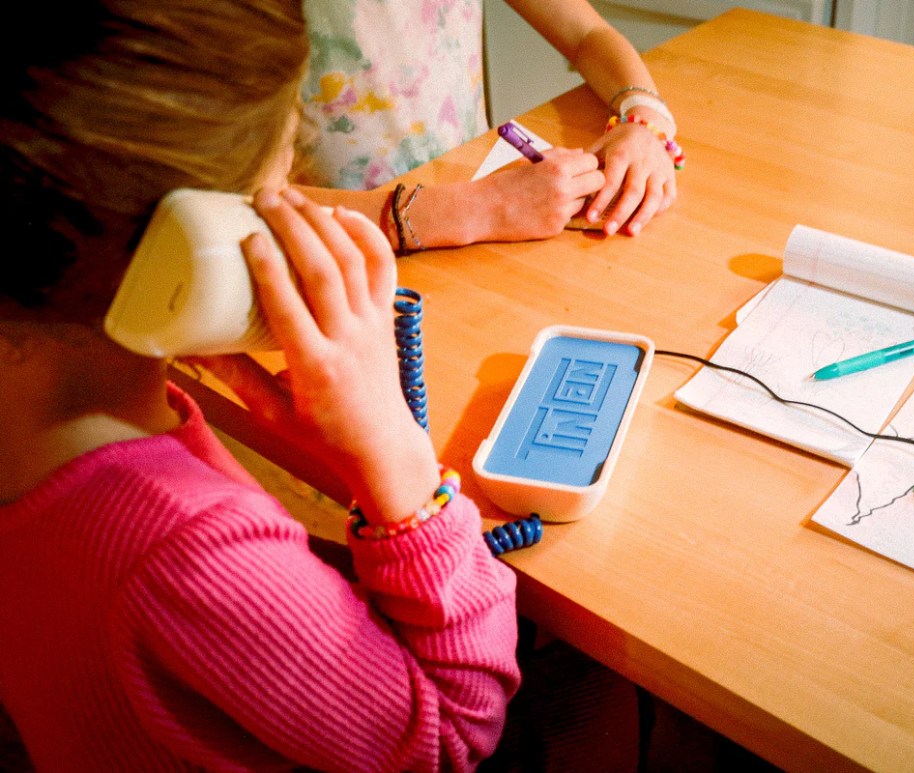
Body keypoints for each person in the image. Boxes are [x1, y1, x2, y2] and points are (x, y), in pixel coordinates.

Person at [0, 2, 519, 771]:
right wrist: (394, 452)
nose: (305, 206)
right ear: (198, 242)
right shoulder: (190, 552)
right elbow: (450, 736)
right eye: (286, 177)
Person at [296, 0, 682, 243]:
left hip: (474, 217)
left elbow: (587, 34)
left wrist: (644, 118)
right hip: (330, 247)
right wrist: (484, 208)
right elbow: (241, 202)